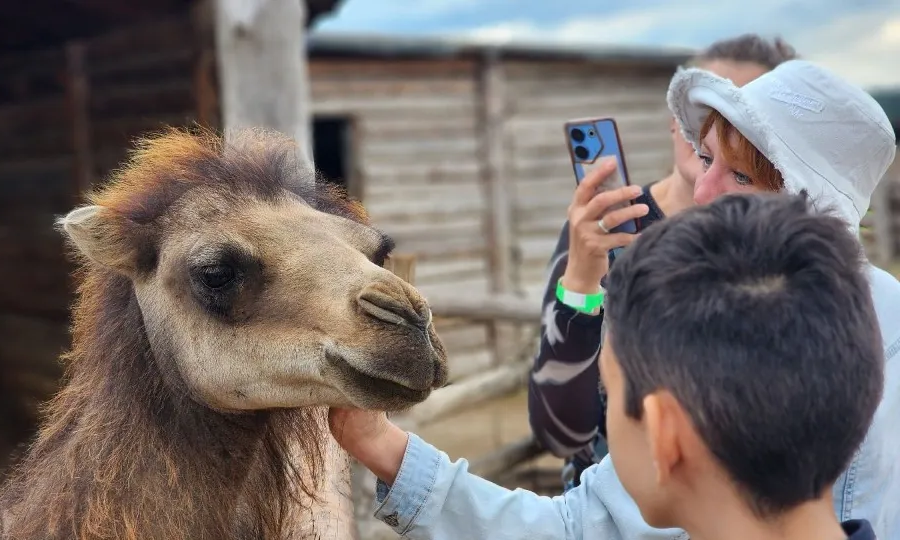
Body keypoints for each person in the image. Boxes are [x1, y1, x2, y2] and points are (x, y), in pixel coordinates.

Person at [328, 58, 899, 540]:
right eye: (705, 159)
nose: (703, 191)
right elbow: (567, 450)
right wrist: (579, 280)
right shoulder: (689, 291)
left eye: (742, 177)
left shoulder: (702, 322)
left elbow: (578, 510)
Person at [528, 34, 800, 489]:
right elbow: (561, 431)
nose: (719, 130)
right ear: (677, 122)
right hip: (612, 505)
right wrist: (579, 278)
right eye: (706, 111)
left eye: (743, 117)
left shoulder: (788, 247)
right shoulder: (606, 230)